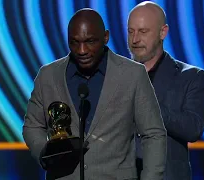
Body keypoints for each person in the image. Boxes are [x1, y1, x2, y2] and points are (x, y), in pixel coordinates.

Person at [23, 8, 166, 180]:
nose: (82, 50)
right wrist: (45, 154)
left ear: (106, 37)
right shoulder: (48, 76)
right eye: (75, 42)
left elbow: (153, 134)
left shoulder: (133, 75)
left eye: (90, 41)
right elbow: (32, 126)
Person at [127, 2, 204, 180]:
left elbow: (193, 128)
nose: (135, 39)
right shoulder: (116, 76)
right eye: (131, 31)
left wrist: (146, 106)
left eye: (143, 31)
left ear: (163, 32)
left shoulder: (191, 77)